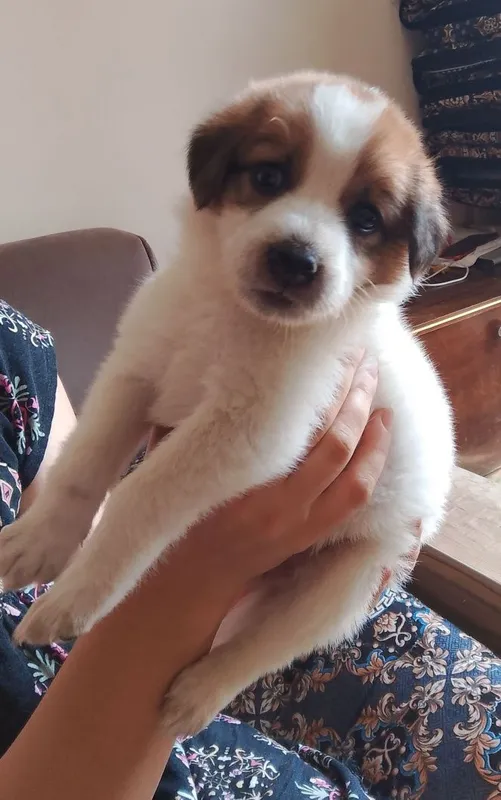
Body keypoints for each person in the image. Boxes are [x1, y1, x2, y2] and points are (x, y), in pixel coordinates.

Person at [0, 300, 498, 800]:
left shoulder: (11, 342)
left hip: (327, 551)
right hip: (114, 716)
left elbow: (80, 520)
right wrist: (198, 577)